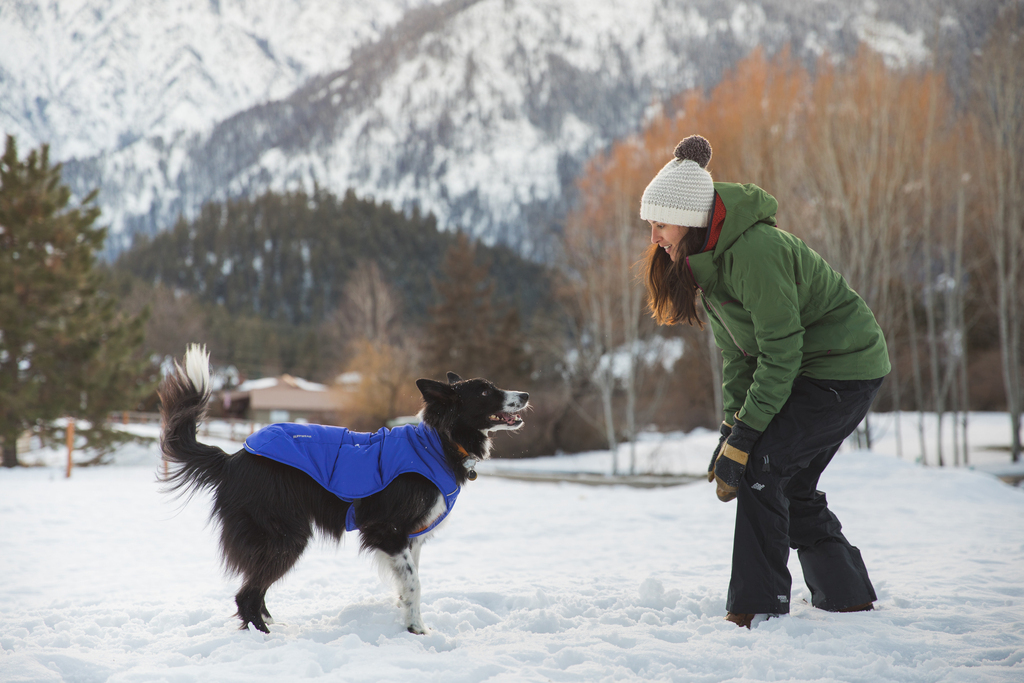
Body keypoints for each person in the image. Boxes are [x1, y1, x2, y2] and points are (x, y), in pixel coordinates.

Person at [639, 135, 890, 629]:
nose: (654, 237)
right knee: (787, 481)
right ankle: (847, 598)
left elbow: (780, 353)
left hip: (843, 367)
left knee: (763, 469)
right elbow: (739, 356)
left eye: (660, 225)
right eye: (650, 225)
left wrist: (747, 439)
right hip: (810, 368)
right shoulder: (707, 262)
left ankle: (755, 608)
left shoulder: (753, 252)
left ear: (690, 221)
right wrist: (730, 430)